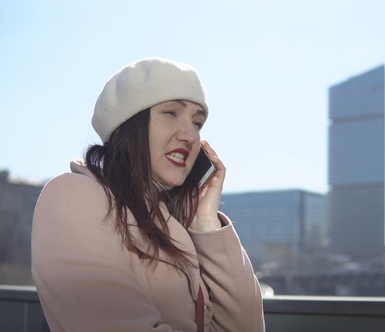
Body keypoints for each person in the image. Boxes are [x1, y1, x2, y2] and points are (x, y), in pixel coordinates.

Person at [31, 58, 265, 331]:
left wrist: (206, 222)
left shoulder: (174, 222)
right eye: (170, 113)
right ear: (129, 123)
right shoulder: (74, 198)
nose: (190, 135)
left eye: (197, 122)